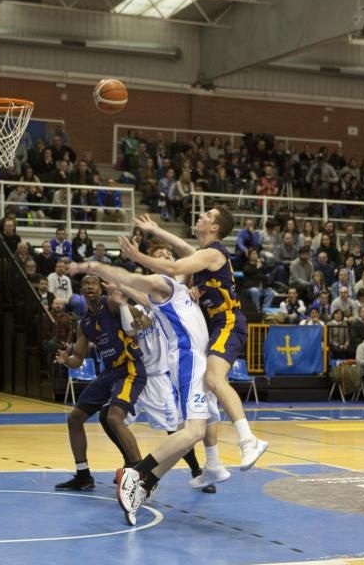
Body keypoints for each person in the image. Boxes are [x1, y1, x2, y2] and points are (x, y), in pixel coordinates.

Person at [69, 258, 229, 524]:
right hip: (139, 375)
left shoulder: (160, 309)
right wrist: (120, 299)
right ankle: (135, 467)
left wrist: (123, 293)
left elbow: (144, 315)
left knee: (178, 429)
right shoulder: (132, 309)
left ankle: (196, 469)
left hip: (160, 379)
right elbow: (132, 327)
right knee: (109, 416)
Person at [121, 210, 268, 470]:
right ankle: (212, 465)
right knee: (206, 390)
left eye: (208, 214)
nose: (201, 214)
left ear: (214, 227)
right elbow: (184, 249)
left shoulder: (213, 253)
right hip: (213, 327)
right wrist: (155, 229)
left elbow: (176, 266)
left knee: (213, 379)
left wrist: (137, 256)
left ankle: (248, 440)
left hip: (228, 321)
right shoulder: (203, 253)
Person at [52, 275, 147, 493]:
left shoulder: (111, 303)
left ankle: (142, 475)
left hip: (130, 369)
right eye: (84, 285)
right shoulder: (83, 323)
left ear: (100, 288)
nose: (89, 287)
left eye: (92, 283)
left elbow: (137, 317)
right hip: (110, 373)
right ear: (82, 292)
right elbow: (77, 359)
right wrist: (66, 360)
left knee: (113, 416)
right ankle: (83, 476)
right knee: (75, 418)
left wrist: (127, 305)